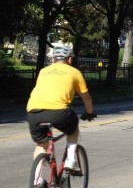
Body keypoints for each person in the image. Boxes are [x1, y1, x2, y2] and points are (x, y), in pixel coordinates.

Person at [27, 44, 96, 172]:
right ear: (70, 59)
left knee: (41, 145)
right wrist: (90, 113)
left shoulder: (43, 71)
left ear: (53, 59)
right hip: (58, 112)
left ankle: (37, 180)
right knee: (73, 129)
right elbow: (86, 97)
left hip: (33, 112)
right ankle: (70, 160)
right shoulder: (74, 72)